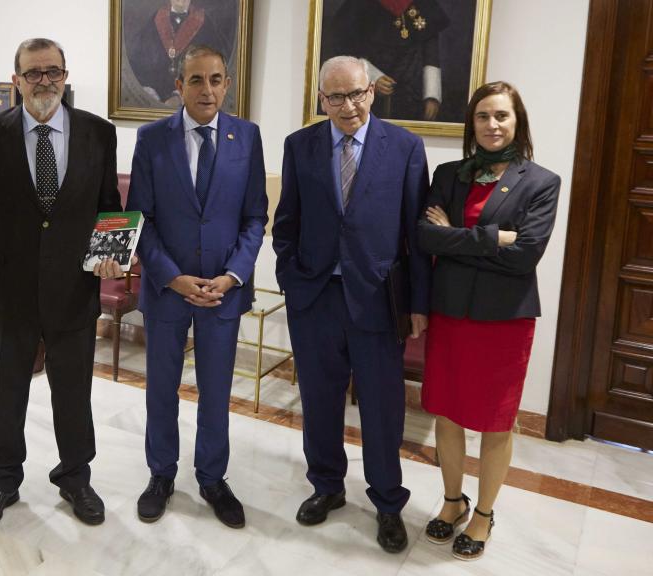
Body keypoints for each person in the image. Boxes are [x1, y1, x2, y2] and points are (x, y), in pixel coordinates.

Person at [0, 38, 122, 530]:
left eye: (53, 71)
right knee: (4, 389)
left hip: (75, 287)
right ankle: (3, 478)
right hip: (8, 289)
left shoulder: (98, 132)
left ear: (66, 76)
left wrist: (112, 258)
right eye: (34, 73)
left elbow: (109, 206)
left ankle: (75, 476)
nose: (44, 81)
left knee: (73, 391)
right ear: (17, 80)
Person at [272, 55, 430, 553]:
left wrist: (418, 302)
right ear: (321, 99)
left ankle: (387, 502)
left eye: (356, 93)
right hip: (315, 297)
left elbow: (416, 234)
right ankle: (326, 486)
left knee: (383, 407)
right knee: (319, 400)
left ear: (372, 91)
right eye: (335, 97)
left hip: (379, 300)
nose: (348, 105)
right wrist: (290, 277)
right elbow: (287, 221)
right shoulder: (300, 146)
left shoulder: (404, 147)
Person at [126, 44, 267, 528]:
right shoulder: (152, 138)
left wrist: (232, 276)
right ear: (178, 85)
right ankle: (161, 474)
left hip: (222, 290)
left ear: (227, 84)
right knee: (161, 388)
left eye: (215, 79)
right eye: (195, 80)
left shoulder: (246, 137)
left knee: (215, 389)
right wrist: (173, 277)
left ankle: (211, 478)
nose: (206, 89)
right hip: (169, 288)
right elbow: (140, 217)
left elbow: (254, 217)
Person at [418, 81, 560, 561]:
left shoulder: (541, 182)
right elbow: (424, 238)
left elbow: (525, 257)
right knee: (448, 412)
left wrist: (457, 236)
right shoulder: (448, 173)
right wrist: (494, 238)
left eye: (501, 116)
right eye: (483, 116)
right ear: (471, 123)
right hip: (451, 311)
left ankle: (483, 513)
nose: (492, 125)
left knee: (496, 422)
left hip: (504, 321)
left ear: (517, 121)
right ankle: (452, 501)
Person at [326, 0, 450, 121]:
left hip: (412, 94)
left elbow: (431, 54)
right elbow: (343, 48)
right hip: (368, 95)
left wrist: (431, 96)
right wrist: (372, 76)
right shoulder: (358, 3)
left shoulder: (425, 3)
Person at [127, 0, 235, 106]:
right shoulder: (155, 20)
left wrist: (180, 96)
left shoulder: (205, 24)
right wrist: (151, 94)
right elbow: (137, 64)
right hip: (155, 97)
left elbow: (216, 69)